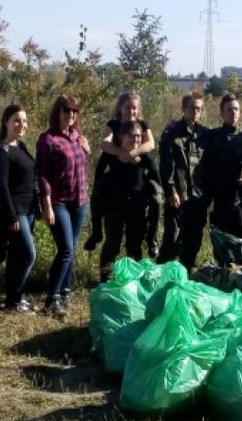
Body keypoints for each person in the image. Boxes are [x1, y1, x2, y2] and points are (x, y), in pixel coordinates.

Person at [84, 91, 161, 258]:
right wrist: (121, 153)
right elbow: (105, 144)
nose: (131, 111)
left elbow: (151, 144)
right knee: (97, 195)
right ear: (120, 108)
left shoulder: (142, 124)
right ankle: (96, 232)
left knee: (156, 197)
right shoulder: (113, 124)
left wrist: (132, 153)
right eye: (128, 107)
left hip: (138, 182)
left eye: (134, 108)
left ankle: (152, 238)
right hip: (116, 181)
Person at [36, 94, 91, 318]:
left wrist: (87, 152)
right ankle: (52, 298)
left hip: (79, 201)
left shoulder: (77, 137)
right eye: (66, 111)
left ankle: (65, 291)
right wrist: (46, 204)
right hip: (59, 202)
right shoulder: (48, 139)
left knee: (71, 248)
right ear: (57, 112)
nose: (70, 116)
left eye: (74, 112)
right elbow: (42, 174)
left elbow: (82, 166)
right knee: (66, 249)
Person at [194, 93, 242, 249]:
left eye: (236, 109)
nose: (233, 112)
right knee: (224, 242)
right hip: (222, 197)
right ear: (222, 113)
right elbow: (203, 166)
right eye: (229, 110)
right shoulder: (213, 137)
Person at [93, 120, 162, 282]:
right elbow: (98, 178)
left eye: (138, 136)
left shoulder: (145, 157)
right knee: (112, 244)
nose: (136, 139)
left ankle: (133, 280)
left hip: (137, 207)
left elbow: (157, 182)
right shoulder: (110, 154)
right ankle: (105, 279)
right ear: (121, 136)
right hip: (114, 206)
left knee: (134, 246)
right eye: (131, 136)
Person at [0, 104, 38, 313]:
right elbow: (1, 187)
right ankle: (15, 297)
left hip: (28, 210)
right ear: (6, 123)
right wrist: (11, 217)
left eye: (24, 121)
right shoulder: (2, 151)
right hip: (16, 211)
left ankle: (13, 299)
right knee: (29, 254)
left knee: (17, 256)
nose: (22, 125)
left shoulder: (21, 146)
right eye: (17, 120)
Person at [158, 91, 207, 267]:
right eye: (192, 108)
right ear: (183, 108)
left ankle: (185, 275)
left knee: (194, 239)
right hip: (178, 194)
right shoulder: (171, 132)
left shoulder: (204, 134)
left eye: (199, 109)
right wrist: (170, 190)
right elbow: (166, 164)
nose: (196, 112)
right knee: (172, 238)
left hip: (198, 196)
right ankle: (162, 274)